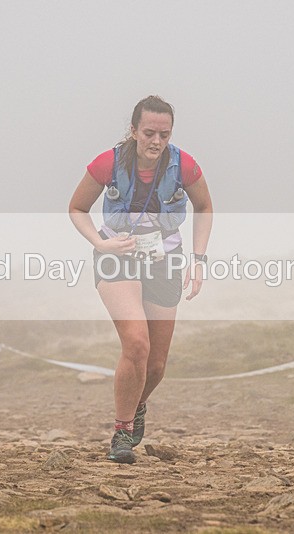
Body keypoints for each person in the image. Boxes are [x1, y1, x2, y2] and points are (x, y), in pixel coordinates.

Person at [68, 95, 213, 463]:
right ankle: (122, 432)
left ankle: (138, 405)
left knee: (156, 365)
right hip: (117, 257)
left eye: (164, 134)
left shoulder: (184, 165)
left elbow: (205, 207)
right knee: (136, 344)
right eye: (149, 133)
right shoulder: (108, 163)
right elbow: (77, 207)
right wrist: (100, 242)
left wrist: (198, 259)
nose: (156, 141)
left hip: (165, 259)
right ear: (134, 130)